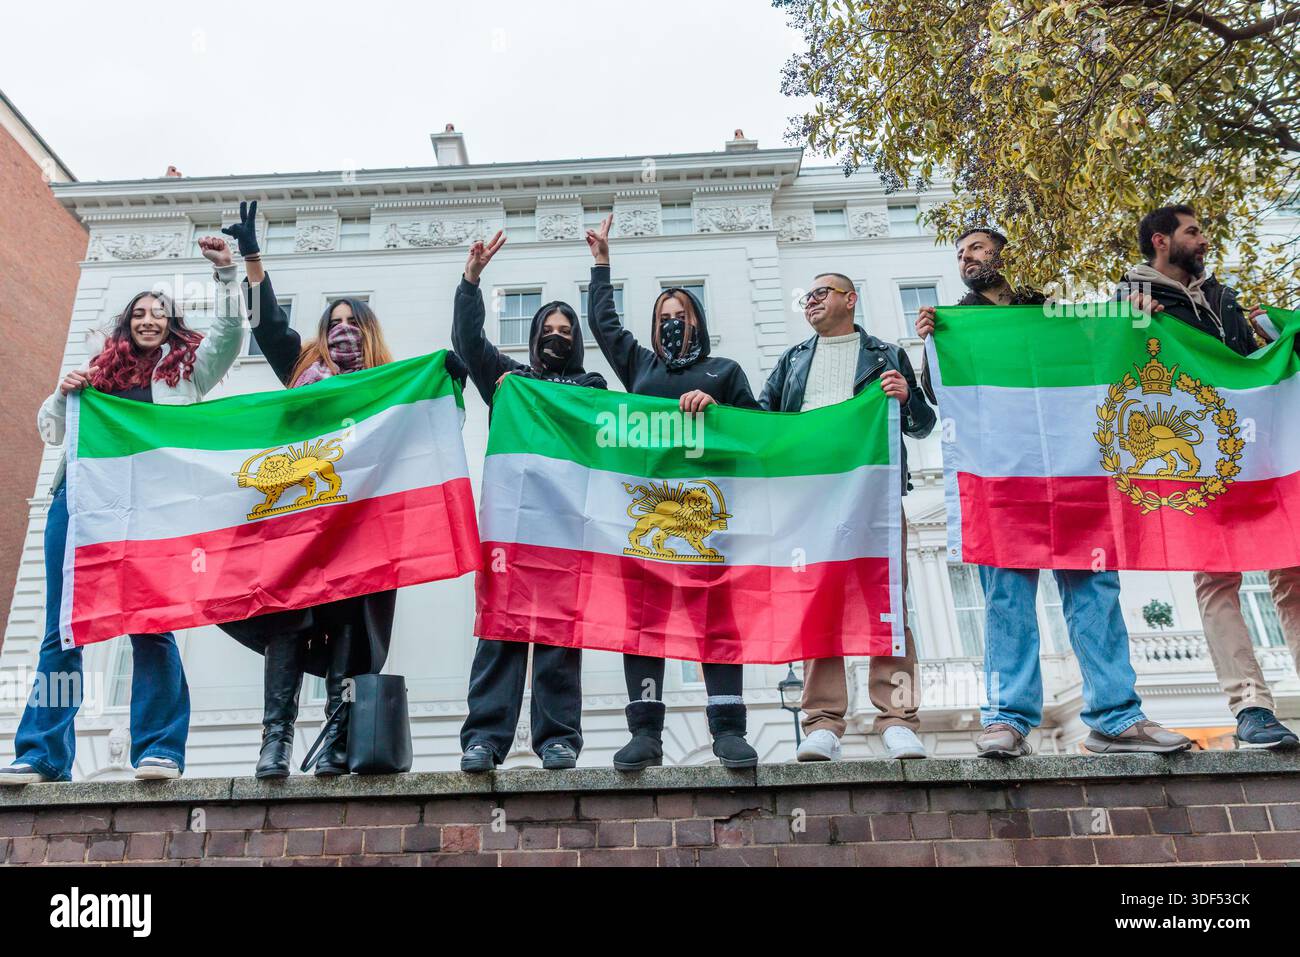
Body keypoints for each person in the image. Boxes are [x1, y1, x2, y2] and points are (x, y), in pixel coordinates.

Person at [916, 227, 1193, 757]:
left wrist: (1132, 316)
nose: (965, 258)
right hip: (998, 478)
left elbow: (1106, 357)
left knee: (1095, 593)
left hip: (1072, 474)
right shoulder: (956, 320)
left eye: (975, 247)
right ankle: (1007, 720)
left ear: (1004, 252)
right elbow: (938, 395)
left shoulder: (1053, 310)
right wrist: (931, 343)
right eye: (959, 253)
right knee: (1006, 599)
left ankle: (1116, 718)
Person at [0, 237, 244, 785]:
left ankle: (159, 750)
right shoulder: (97, 375)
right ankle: (41, 754)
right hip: (81, 505)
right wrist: (63, 393)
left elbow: (230, 337)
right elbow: (51, 431)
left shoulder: (185, 374)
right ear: (126, 324)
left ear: (172, 324)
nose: (148, 320)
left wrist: (227, 274)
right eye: (139, 313)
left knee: (150, 622)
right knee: (63, 629)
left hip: (151, 510)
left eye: (159, 313)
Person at [216, 202, 403, 778]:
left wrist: (449, 373)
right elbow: (269, 326)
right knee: (288, 619)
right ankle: (276, 739)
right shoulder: (304, 372)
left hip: (360, 531)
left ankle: (336, 740)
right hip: (300, 519)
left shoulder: (387, 387)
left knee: (350, 625)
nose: (341, 329)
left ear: (368, 333)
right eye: (334, 321)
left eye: (353, 321)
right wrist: (252, 258)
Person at [583, 213, 762, 771]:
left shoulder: (724, 371)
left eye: (681, 316)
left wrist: (720, 414)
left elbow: (760, 436)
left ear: (698, 322)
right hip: (647, 516)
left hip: (708, 523)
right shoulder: (639, 365)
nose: (671, 323)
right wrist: (601, 266)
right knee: (643, 622)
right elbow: (605, 325)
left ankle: (728, 728)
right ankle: (645, 733)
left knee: (715, 623)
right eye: (663, 316)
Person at [1118, 204, 1298, 749]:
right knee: (1218, 577)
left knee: (1293, 569)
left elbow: (1249, 360)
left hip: (1258, 448)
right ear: (1160, 241)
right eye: (1193, 231)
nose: (1203, 239)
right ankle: (1250, 707)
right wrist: (1128, 322)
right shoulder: (1127, 303)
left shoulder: (1222, 297)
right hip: (1195, 455)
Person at [759, 272, 935, 761]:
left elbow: (922, 425)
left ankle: (898, 717)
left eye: (821, 293)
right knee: (818, 599)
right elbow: (762, 420)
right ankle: (822, 723)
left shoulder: (886, 355)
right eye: (806, 296)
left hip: (874, 493)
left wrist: (906, 397)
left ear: (850, 299)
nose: (810, 301)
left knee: (888, 602)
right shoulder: (792, 360)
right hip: (811, 494)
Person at [453, 229, 608, 772]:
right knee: (500, 629)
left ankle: (558, 738)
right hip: (511, 529)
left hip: (570, 528)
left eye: (567, 330)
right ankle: (485, 740)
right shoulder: (509, 382)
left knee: (561, 634)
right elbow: (469, 344)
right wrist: (471, 279)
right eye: (549, 329)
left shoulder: (592, 390)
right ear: (534, 336)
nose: (557, 336)